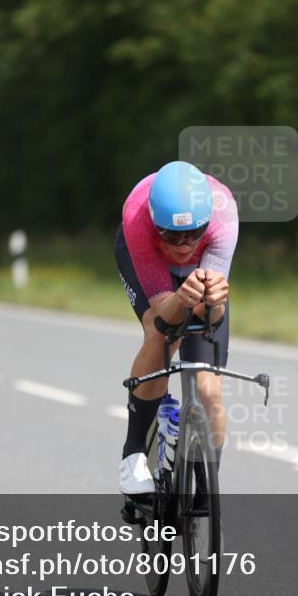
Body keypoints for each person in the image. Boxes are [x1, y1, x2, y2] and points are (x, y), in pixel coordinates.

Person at [115, 161, 238, 495]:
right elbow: (163, 315)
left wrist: (215, 303)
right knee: (160, 335)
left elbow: (209, 319)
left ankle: (205, 492)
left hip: (198, 272)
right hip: (149, 265)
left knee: (210, 389)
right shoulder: (137, 217)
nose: (184, 245)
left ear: (207, 223)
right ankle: (133, 454)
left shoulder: (224, 216)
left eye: (193, 233)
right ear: (157, 224)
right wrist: (182, 298)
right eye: (172, 234)